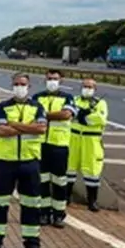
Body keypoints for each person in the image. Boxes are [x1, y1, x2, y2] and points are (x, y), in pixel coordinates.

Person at [0, 73, 47, 248]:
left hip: (30, 161)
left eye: (23, 84)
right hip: (6, 162)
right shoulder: (2, 107)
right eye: (16, 84)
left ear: (29, 87)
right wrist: (27, 126)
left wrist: (13, 124)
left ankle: (32, 245)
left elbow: (42, 128)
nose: (19, 87)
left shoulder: (38, 107)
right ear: (11, 85)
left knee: (31, 205)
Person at [32, 70, 78, 228]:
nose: (52, 81)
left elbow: (66, 115)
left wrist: (43, 115)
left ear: (61, 80)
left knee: (59, 181)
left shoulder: (68, 97)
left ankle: (59, 214)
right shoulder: (37, 97)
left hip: (59, 145)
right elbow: (32, 116)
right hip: (40, 145)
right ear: (45, 79)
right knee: (42, 181)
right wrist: (50, 115)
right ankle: (44, 213)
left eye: (55, 79)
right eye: (50, 78)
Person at [65, 78, 109, 212]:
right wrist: (83, 116)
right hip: (73, 138)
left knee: (92, 172)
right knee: (69, 169)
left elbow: (101, 119)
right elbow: (68, 115)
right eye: (85, 86)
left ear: (95, 89)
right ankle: (66, 197)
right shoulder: (74, 100)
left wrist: (83, 118)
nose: (87, 89)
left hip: (91, 141)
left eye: (90, 87)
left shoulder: (101, 103)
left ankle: (92, 201)